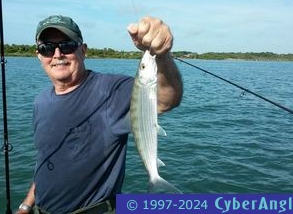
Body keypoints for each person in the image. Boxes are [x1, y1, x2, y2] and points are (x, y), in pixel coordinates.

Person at [16, 15, 183, 214]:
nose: (57, 54)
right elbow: (47, 159)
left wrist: (162, 55)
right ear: (39, 55)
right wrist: (26, 205)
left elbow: (165, 100)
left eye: (67, 45)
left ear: (83, 50)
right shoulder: (40, 102)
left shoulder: (111, 89)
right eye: (47, 48)